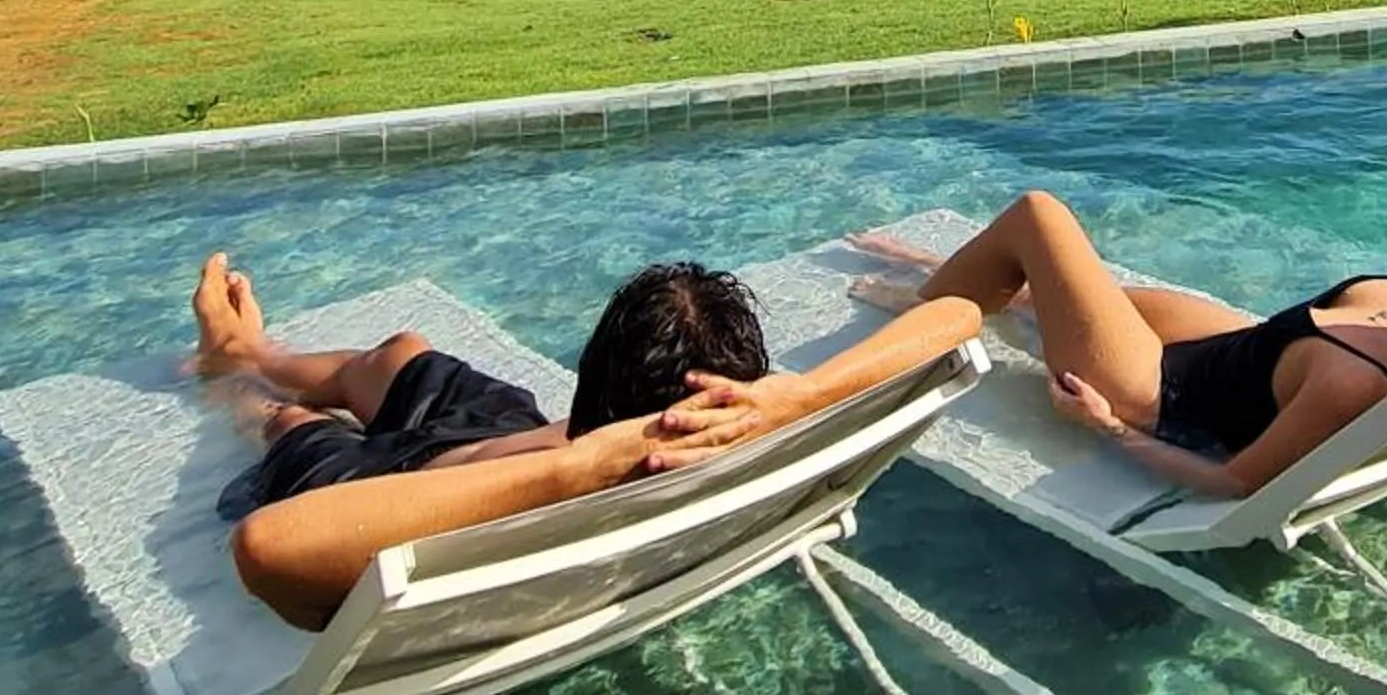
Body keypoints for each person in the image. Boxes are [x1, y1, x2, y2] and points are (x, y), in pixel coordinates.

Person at [189, 250, 980, 630]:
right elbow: (959, 317)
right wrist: (800, 395)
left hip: (407, 494)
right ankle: (262, 350)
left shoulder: (584, 471)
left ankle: (238, 371)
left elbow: (268, 546)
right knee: (401, 353)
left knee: (289, 422)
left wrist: (576, 467)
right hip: (515, 442)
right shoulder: (742, 429)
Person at [847, 189, 1387, 503]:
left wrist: (1108, 427)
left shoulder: (1353, 384)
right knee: (1058, 282)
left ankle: (929, 307)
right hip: (1235, 350)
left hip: (1156, 390)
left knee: (1040, 218)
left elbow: (1237, 484)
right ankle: (956, 277)